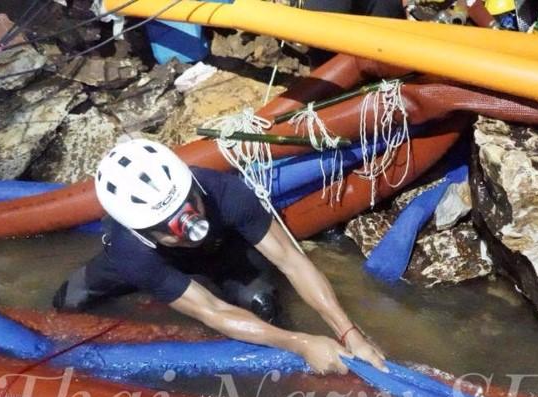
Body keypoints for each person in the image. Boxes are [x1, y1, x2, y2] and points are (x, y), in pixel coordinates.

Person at [53, 139, 387, 375]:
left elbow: (291, 260)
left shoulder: (224, 192)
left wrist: (348, 333)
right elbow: (211, 311)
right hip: (149, 264)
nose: (188, 227)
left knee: (263, 306)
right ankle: (158, 288)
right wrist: (302, 343)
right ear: (142, 230)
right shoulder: (132, 251)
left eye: (190, 206)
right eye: (169, 226)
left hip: (220, 251)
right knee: (67, 303)